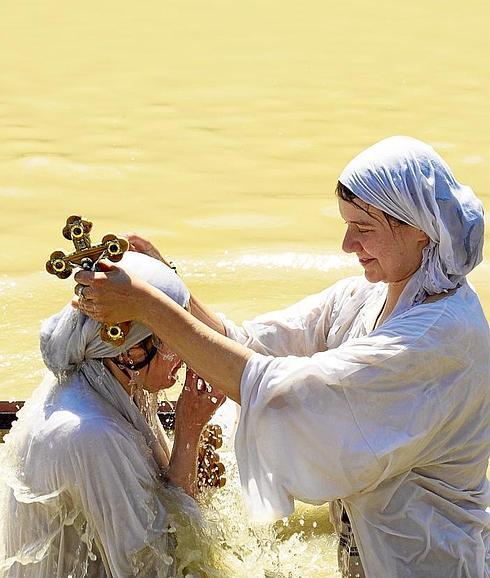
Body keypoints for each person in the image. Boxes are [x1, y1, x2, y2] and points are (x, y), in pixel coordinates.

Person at [72, 136, 489, 578]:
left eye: (364, 228)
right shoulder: (368, 296)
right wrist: (170, 287)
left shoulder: (438, 339)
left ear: (419, 228)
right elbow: (246, 345)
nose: (347, 244)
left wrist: (150, 307)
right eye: (346, 225)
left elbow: (281, 391)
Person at [0, 252, 225, 578]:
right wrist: (188, 430)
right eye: (178, 339)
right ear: (133, 350)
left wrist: (193, 444)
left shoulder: (107, 383)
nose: (189, 354)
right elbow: (155, 569)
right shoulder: (94, 435)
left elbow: (166, 510)